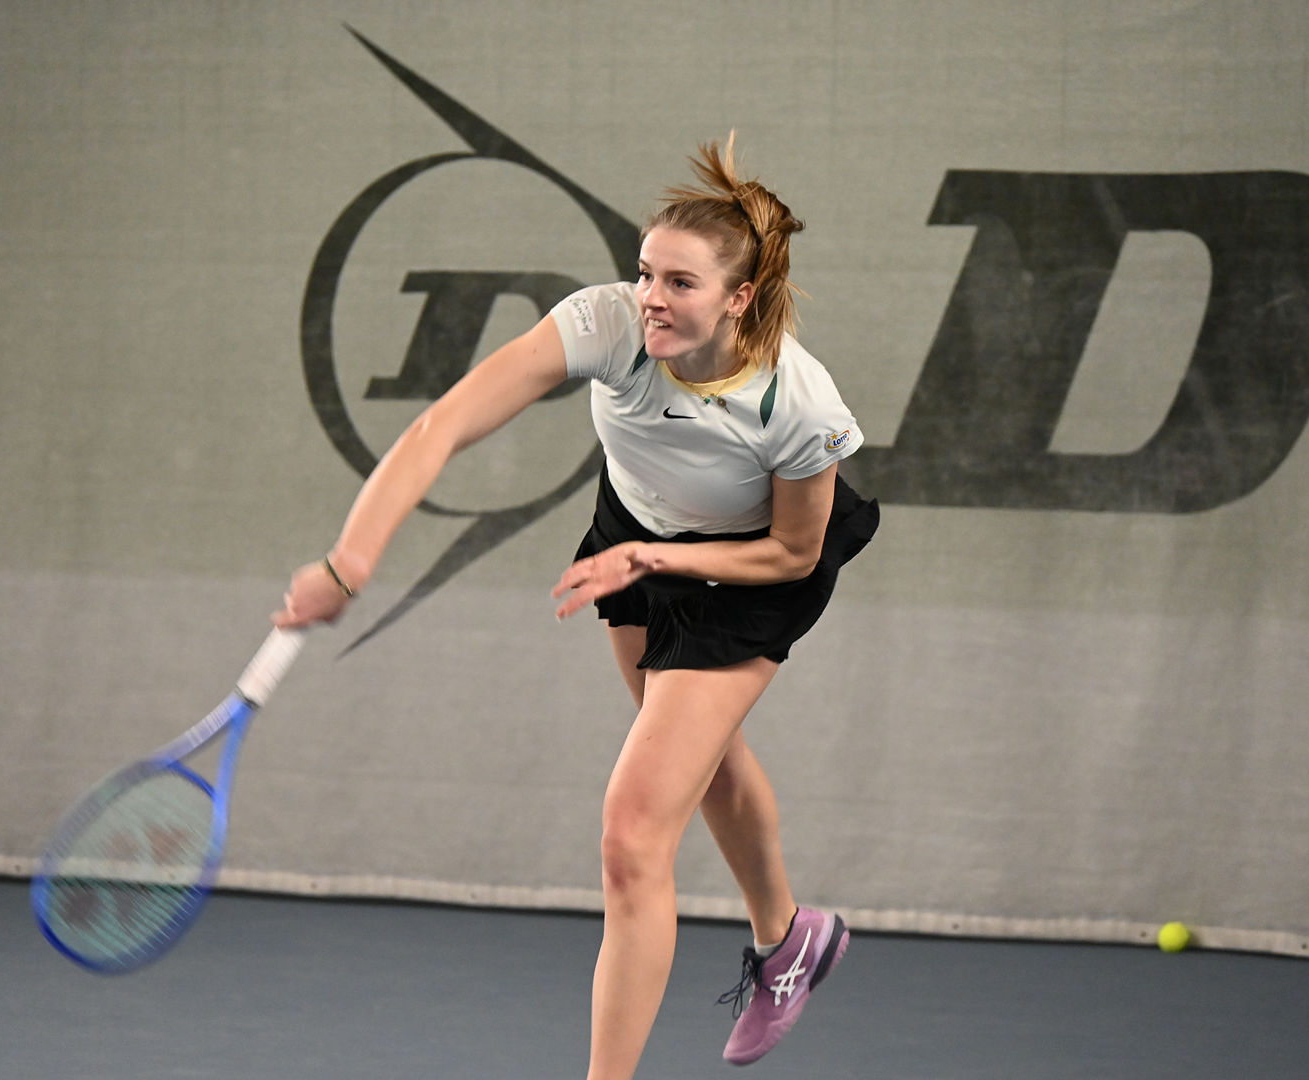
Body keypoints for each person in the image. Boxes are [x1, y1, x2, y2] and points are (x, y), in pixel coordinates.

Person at [274, 133, 878, 1079]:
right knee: (700, 762)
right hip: (632, 537)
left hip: (749, 575)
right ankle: (791, 940)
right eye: (645, 273)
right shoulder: (604, 324)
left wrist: (654, 555)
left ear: (740, 299)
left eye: (681, 283)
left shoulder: (796, 403)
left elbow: (797, 550)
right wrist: (348, 564)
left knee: (633, 837)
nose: (651, 298)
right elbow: (445, 424)